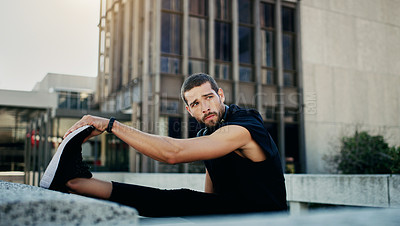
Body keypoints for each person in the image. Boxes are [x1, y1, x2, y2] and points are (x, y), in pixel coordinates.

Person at [41, 73, 287, 217]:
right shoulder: (207, 134)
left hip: (267, 220)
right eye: (196, 103)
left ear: (220, 95)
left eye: (209, 97)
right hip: (233, 216)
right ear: (189, 110)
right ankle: (74, 183)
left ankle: (75, 182)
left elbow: (173, 153)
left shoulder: (244, 125)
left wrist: (111, 124)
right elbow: (210, 198)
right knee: (181, 200)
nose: (206, 107)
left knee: (179, 199)